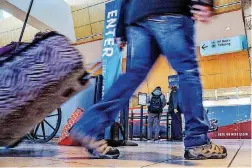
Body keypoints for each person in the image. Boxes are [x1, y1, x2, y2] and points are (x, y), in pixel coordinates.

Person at [70, 0, 228, 160]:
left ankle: (89, 127)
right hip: (170, 12)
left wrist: (120, 30)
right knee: (188, 72)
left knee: (134, 75)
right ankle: (198, 142)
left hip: (137, 17)